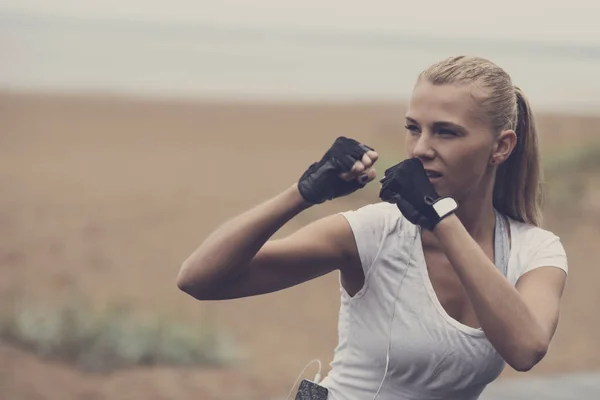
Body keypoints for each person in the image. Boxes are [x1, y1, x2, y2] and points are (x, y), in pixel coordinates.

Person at [176, 55, 569, 400]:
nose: (420, 149)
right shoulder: (373, 232)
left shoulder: (535, 251)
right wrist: (303, 192)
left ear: (501, 147)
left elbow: (525, 349)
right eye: (414, 128)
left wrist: (439, 217)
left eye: (446, 132)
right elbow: (199, 280)